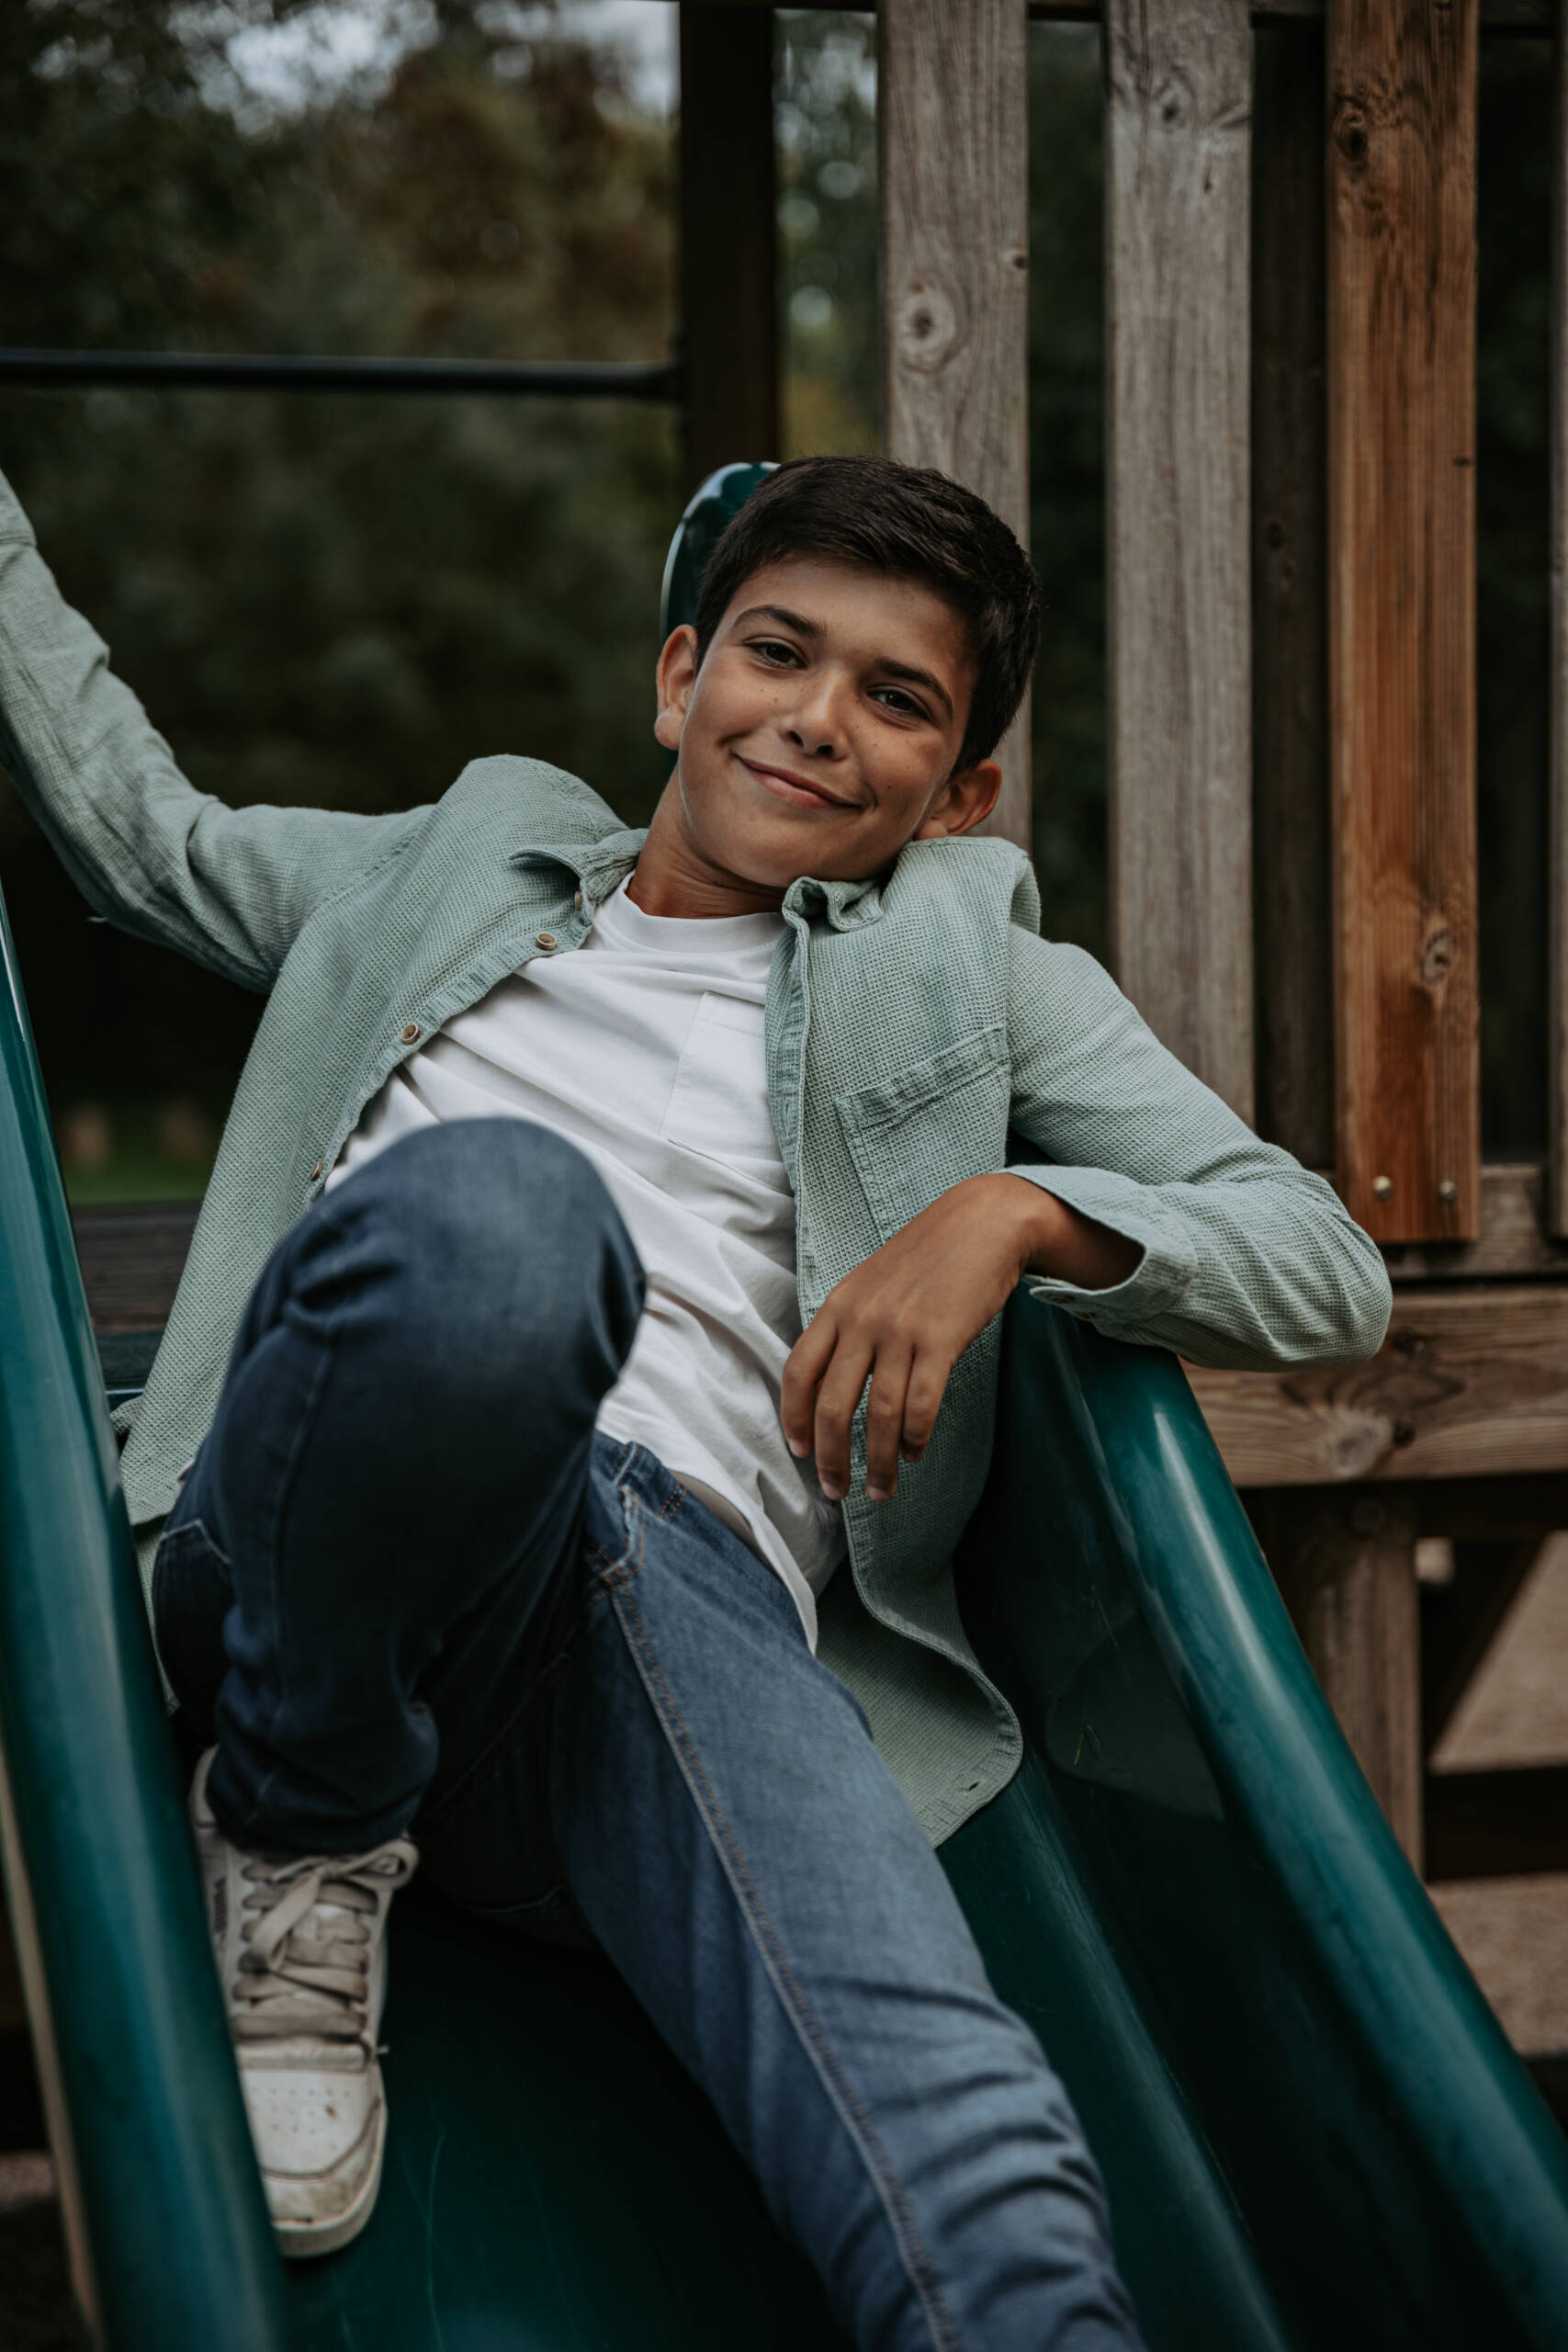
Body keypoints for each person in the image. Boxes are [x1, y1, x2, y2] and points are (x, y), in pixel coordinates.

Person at [0, 454, 1391, 2348]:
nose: (816, 719)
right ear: (679, 678)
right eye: (776, 653)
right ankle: (300, 1813)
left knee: (985, 2162)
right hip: (319, 1552)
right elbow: (139, 829)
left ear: (957, 788)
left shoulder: (972, 964)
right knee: (507, 1223)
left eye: (896, 697)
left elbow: (1319, 1259)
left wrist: (1008, 1211)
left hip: (672, 1598)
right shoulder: (457, 862)